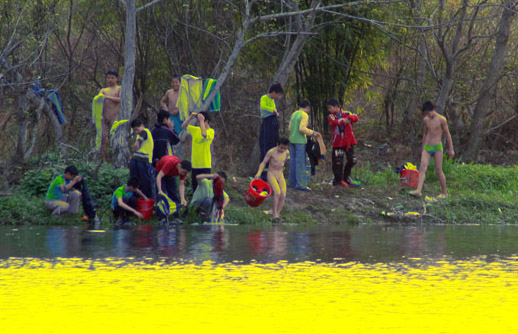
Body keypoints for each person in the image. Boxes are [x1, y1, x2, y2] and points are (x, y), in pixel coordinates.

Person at [410, 101, 455, 199]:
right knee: (422, 167)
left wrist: (451, 148)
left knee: (439, 170)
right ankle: (418, 190)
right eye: (426, 113)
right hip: (427, 146)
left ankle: (444, 192)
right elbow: (425, 133)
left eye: (429, 112)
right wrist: (423, 146)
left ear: (433, 110)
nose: (429, 114)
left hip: (437, 147)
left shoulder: (442, 120)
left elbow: (447, 134)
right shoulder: (426, 120)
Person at [255, 138, 290, 222]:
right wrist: (258, 173)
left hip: (280, 174)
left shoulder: (287, 153)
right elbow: (263, 163)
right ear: (277, 144)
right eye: (281, 147)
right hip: (271, 174)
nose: (282, 150)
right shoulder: (271, 152)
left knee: (283, 194)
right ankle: (274, 215)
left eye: (284, 148)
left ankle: (277, 214)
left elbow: (284, 162)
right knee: (277, 192)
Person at [326, 98, 359, 186]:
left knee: (352, 160)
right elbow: (335, 122)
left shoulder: (346, 113)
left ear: (336, 106)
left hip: (349, 141)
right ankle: (338, 180)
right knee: (338, 161)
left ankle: (346, 176)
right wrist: (344, 121)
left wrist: (348, 118)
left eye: (330, 107)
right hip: (338, 143)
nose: (329, 110)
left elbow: (355, 117)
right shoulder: (331, 116)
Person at [288, 100, 319, 191]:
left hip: (292, 139)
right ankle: (301, 184)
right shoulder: (304, 115)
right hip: (300, 140)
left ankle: (292, 182)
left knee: (293, 161)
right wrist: (312, 133)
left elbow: (290, 127)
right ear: (307, 108)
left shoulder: (294, 114)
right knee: (300, 162)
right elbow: (302, 129)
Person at [182, 111, 214, 191]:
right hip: (195, 164)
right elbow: (184, 126)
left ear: (206, 121)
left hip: (205, 164)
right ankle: (196, 202)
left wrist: (202, 120)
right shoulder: (195, 130)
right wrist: (191, 117)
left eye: (200, 122)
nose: (199, 124)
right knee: (195, 187)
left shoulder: (211, 131)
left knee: (205, 187)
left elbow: (204, 134)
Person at [259, 83, 283, 180]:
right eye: (278, 94)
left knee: (274, 146)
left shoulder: (273, 101)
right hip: (267, 122)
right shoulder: (264, 98)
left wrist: (276, 113)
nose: (278, 96)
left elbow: (275, 111)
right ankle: (263, 174)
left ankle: (272, 172)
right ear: (274, 92)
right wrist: (273, 111)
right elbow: (263, 107)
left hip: (273, 122)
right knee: (265, 147)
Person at [129, 119, 155, 199]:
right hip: (137, 160)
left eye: (137, 129)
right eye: (134, 130)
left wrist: (137, 143)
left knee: (145, 182)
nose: (136, 131)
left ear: (142, 126)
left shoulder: (145, 131)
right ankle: (137, 200)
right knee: (136, 182)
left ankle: (147, 200)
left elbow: (138, 142)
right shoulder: (139, 135)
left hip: (143, 161)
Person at [99, 70, 121, 159]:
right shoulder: (103, 90)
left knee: (115, 138)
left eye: (112, 78)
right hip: (104, 118)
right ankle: (102, 158)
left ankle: (115, 157)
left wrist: (107, 97)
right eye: (108, 78)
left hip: (115, 117)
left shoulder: (119, 88)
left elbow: (120, 99)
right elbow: (97, 100)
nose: (110, 80)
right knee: (103, 138)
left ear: (117, 79)